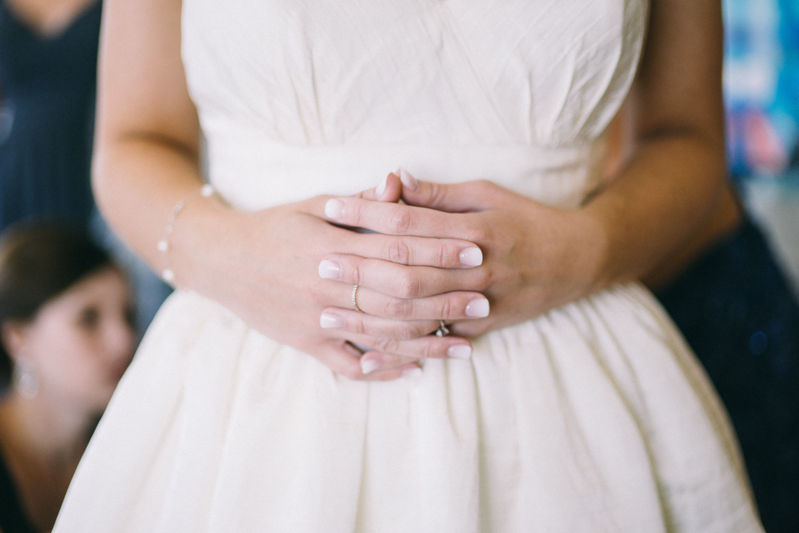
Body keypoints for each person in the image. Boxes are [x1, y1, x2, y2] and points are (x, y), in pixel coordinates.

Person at [54, 0, 764, 531]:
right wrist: (233, 257)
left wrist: (586, 249)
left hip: (571, 382)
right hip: (256, 386)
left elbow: (687, 138)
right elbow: (130, 141)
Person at [0, 223, 135, 532]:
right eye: (88, 318)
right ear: (19, 338)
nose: (124, 340)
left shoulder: (123, 449)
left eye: (128, 316)